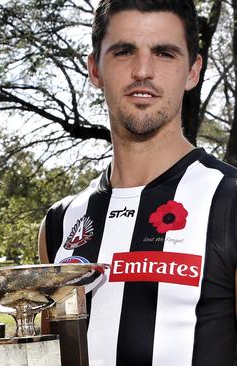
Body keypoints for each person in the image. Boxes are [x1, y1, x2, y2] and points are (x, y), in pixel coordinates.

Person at [39, 0, 237, 365]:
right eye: (124, 51)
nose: (143, 70)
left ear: (193, 71)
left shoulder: (229, 201)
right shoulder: (60, 221)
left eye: (164, 53)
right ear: (95, 68)